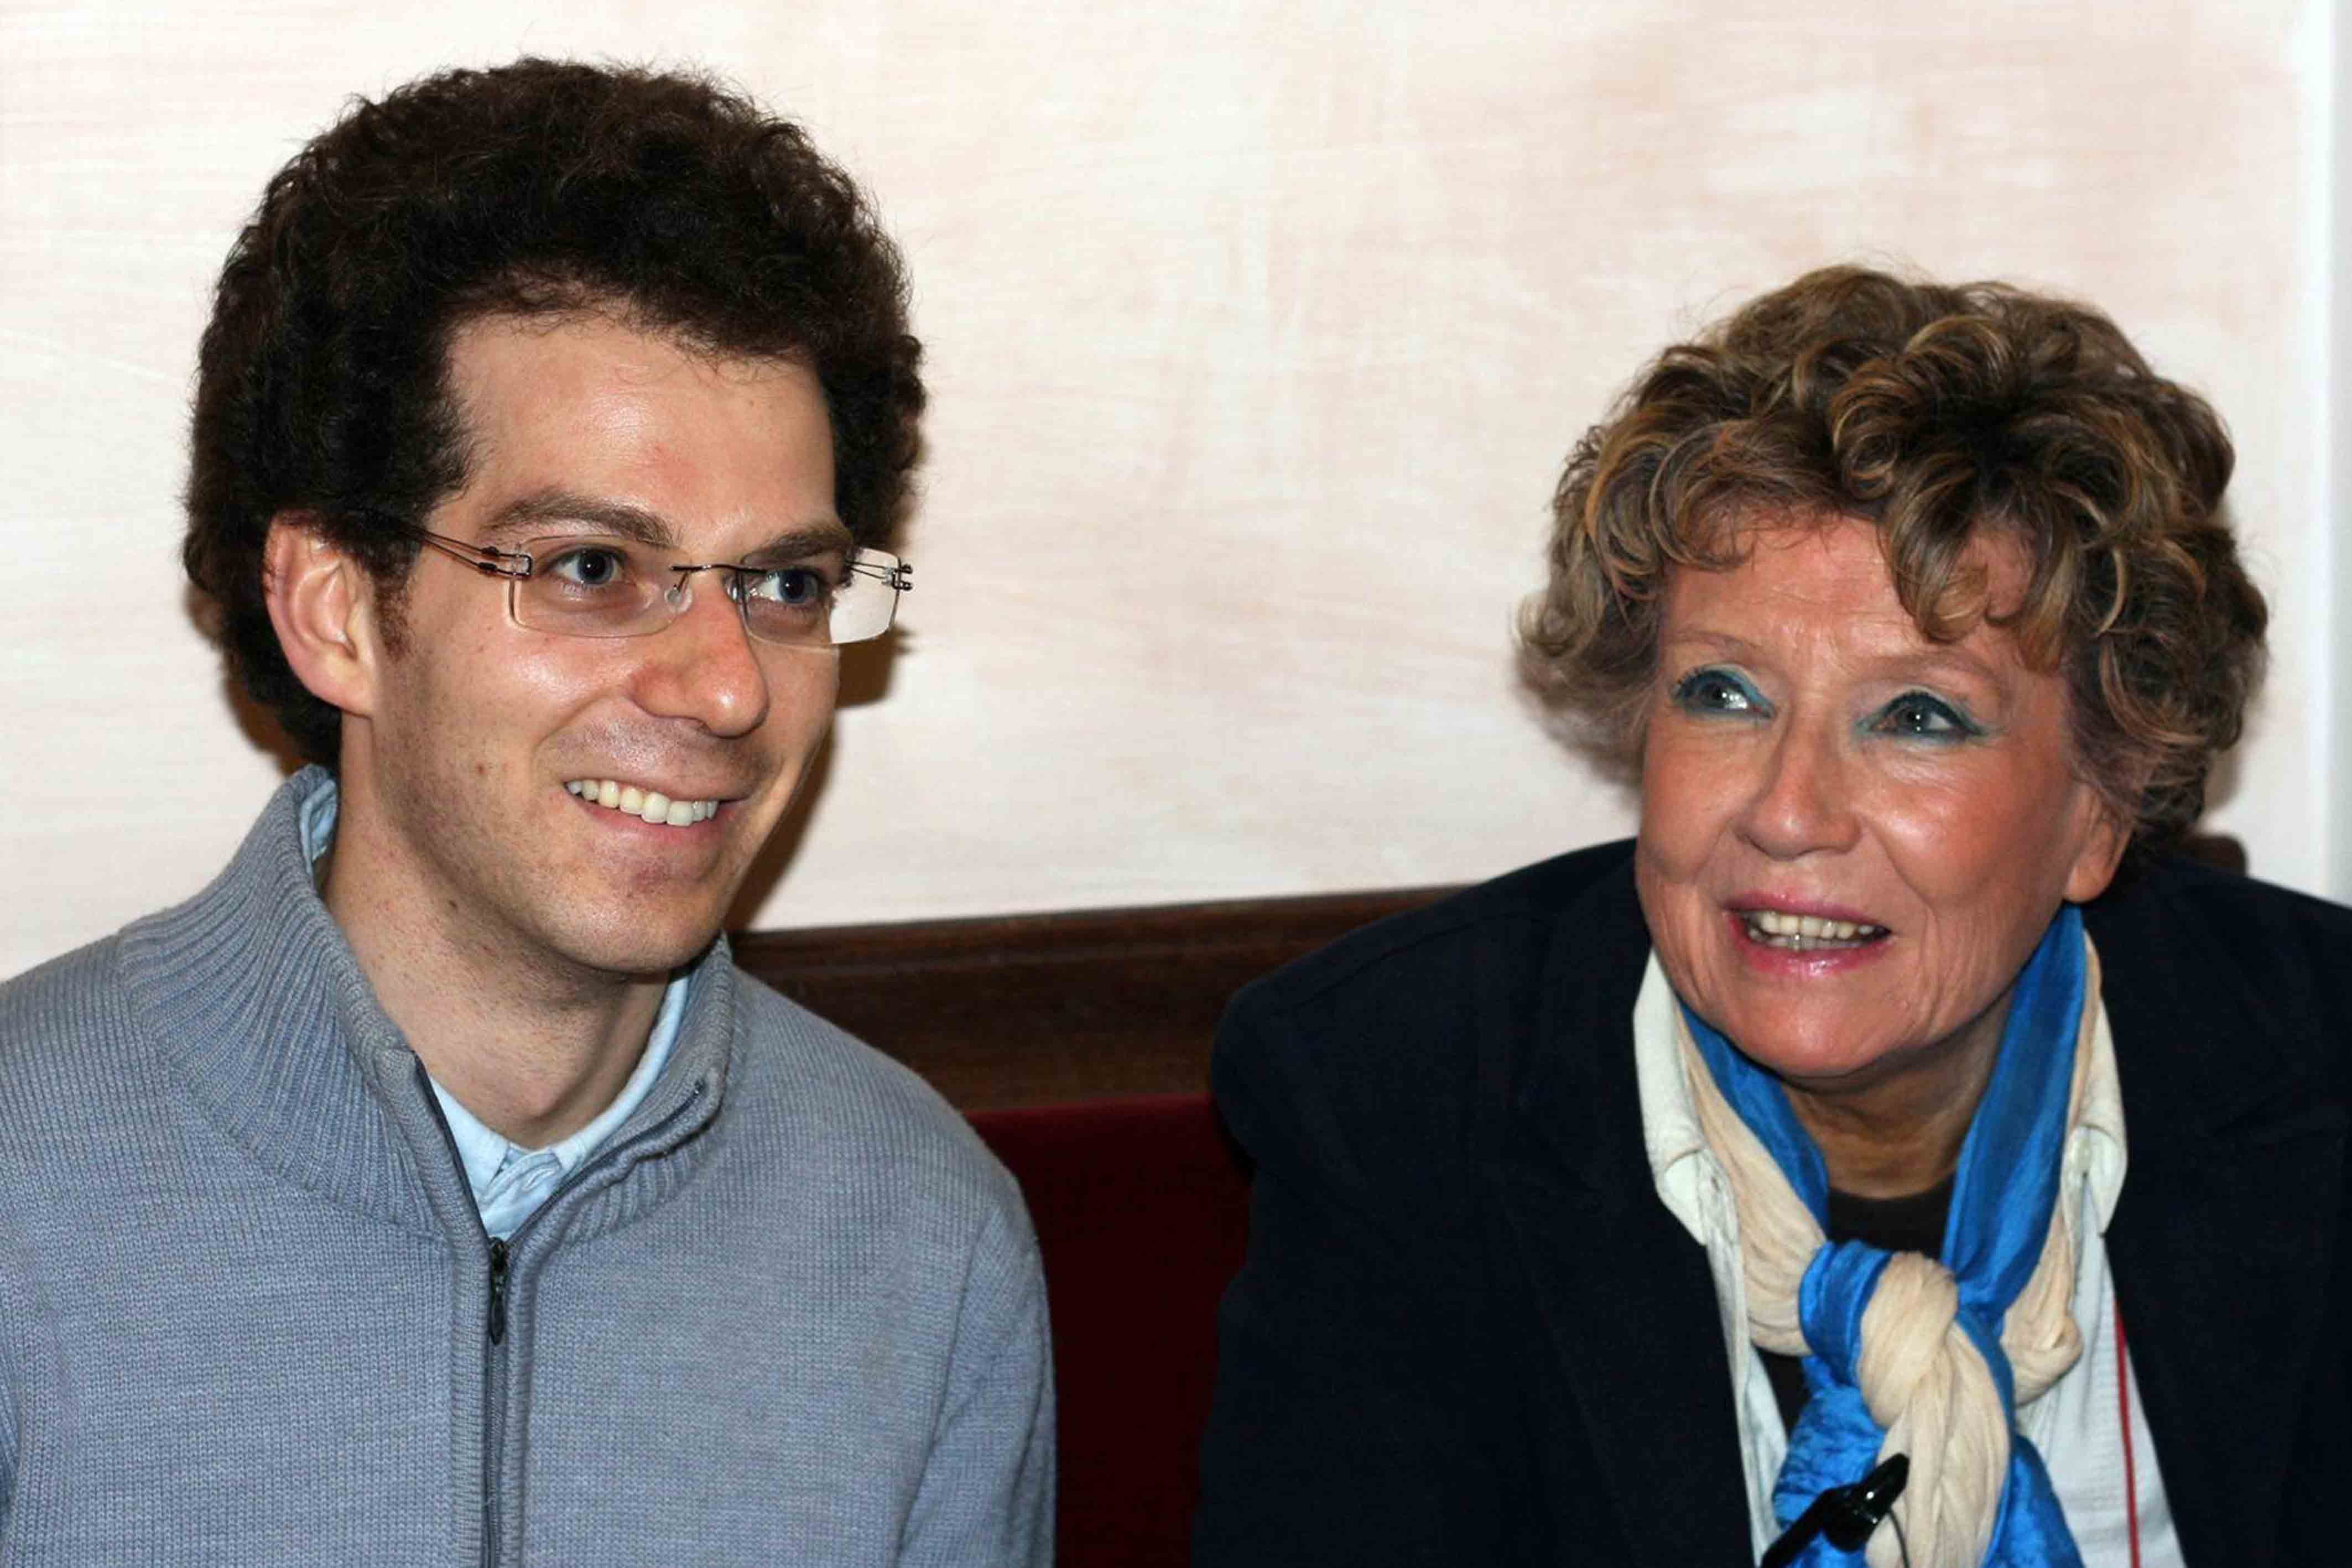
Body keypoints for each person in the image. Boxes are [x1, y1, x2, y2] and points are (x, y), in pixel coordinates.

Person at [0, 60, 1050, 1565]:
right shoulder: (25, 1185)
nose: (726, 687)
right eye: (589, 568)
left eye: (784, 583)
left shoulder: (922, 1234)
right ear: (336, 609)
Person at [1194, 267, 2348, 1566]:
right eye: (1723, 694)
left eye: (1916, 716)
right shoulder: (1395, 1103)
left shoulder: (2318, 1066)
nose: (1789, 812)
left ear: (2098, 805)